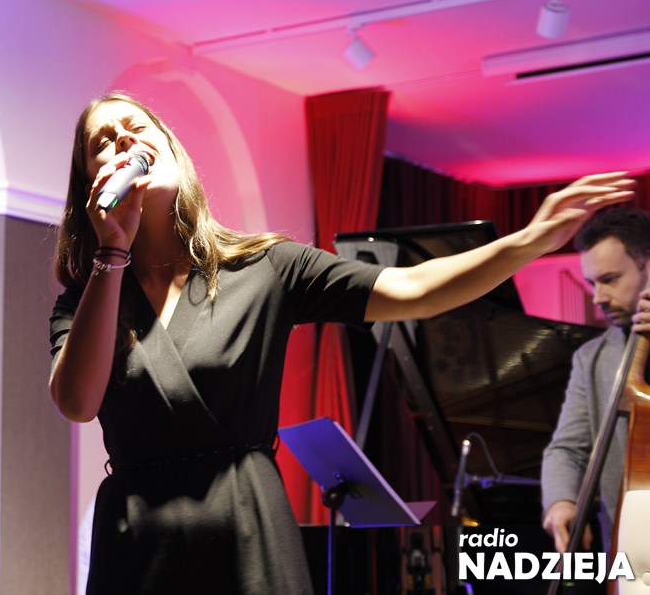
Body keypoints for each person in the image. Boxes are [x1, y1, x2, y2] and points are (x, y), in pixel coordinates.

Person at [48, 91, 635, 594]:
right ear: (89, 183)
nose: (124, 140)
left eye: (137, 127)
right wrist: (112, 252)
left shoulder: (266, 266)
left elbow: (414, 288)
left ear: (172, 151)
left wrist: (529, 241)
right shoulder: (88, 299)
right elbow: (77, 402)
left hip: (246, 522)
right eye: (104, 141)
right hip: (138, 538)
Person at [541, 207, 650, 556]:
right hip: (630, 552)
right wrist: (561, 501)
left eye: (610, 279)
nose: (598, 297)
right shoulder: (591, 358)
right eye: (592, 283)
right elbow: (567, 449)